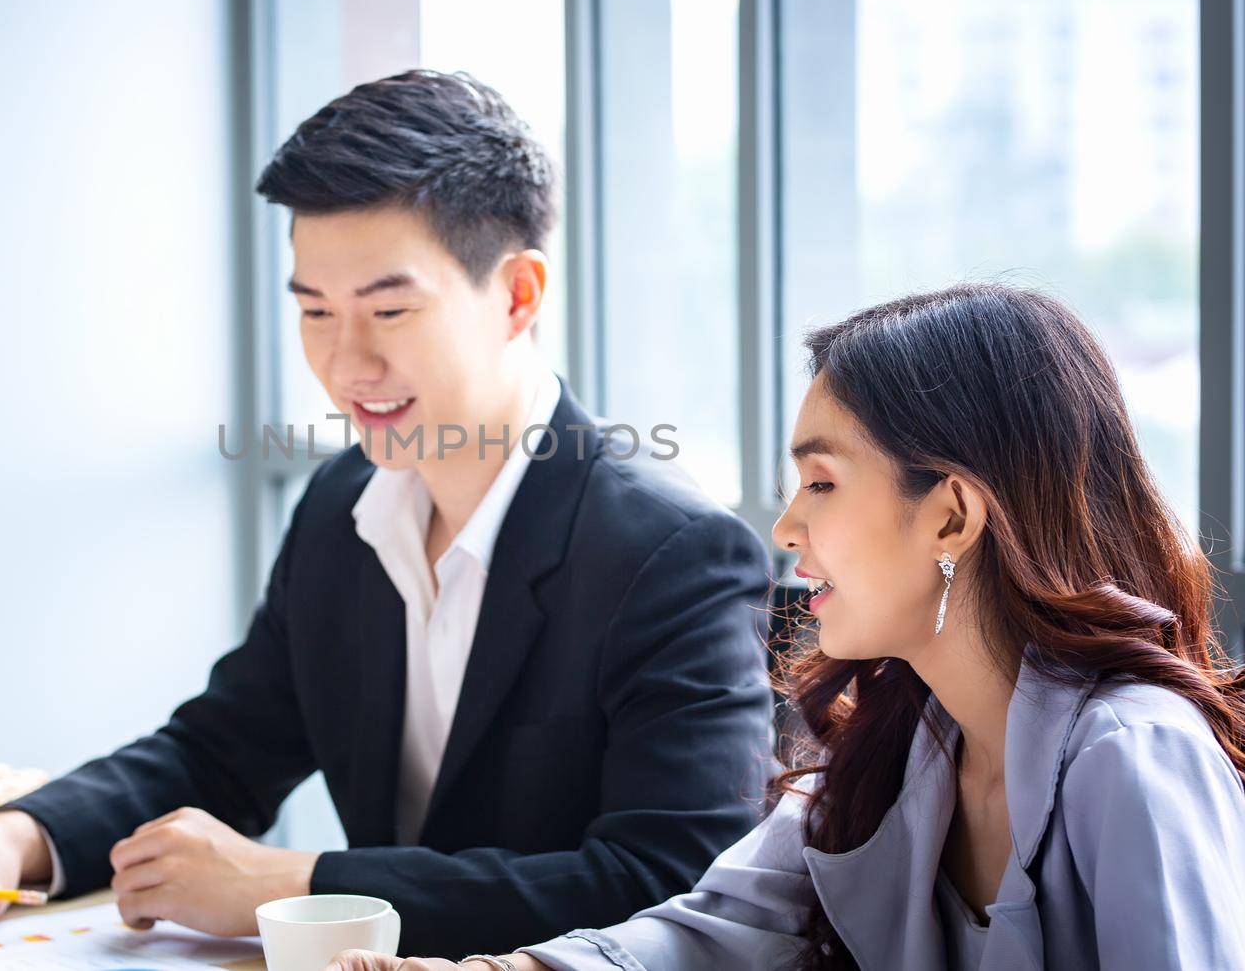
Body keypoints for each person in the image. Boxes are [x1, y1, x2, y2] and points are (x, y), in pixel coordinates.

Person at [0, 70, 775, 957]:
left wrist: (302, 884)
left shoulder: (672, 553)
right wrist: (15, 839)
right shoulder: (343, 506)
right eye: (315, 310)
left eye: (389, 311)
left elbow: (670, 886)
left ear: (517, 294)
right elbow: (221, 749)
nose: (346, 366)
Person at [327, 284, 1245, 971]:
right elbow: (709, 930)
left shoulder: (1132, 756)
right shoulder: (910, 746)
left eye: (823, 482)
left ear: (954, 516)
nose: (785, 530)